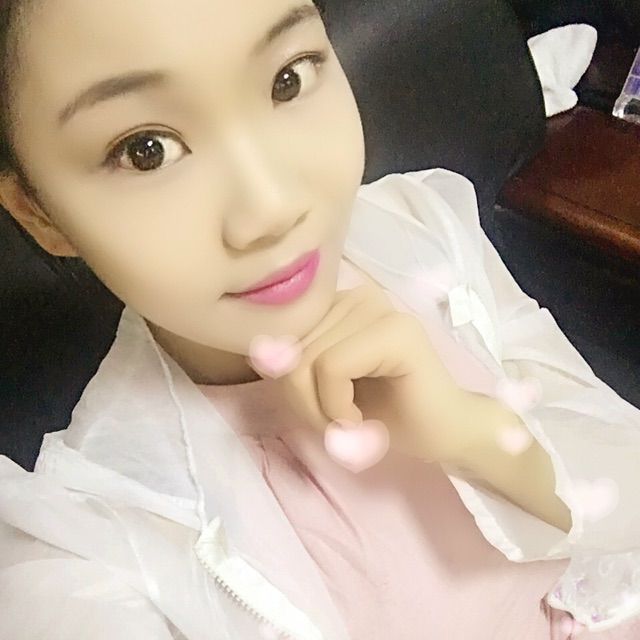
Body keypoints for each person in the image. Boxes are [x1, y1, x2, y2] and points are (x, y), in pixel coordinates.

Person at [0, 1, 639, 638]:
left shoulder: (416, 228)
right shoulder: (86, 551)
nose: (273, 209)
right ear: (40, 214)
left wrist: (470, 432)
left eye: (288, 79)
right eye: (147, 152)